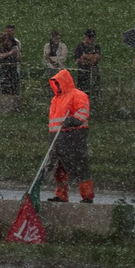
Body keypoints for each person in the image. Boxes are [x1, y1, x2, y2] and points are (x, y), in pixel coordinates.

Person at [46, 65, 94, 204]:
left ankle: (87, 196)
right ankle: (61, 195)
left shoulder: (77, 95)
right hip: (57, 137)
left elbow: (83, 111)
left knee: (80, 165)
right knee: (58, 168)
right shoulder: (55, 99)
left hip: (74, 135)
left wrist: (72, 121)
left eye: (58, 83)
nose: (56, 86)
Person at [0, 24, 23, 97]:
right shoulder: (0, 43)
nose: (8, 33)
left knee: (14, 87)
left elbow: (19, 57)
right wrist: (10, 52)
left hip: (12, 68)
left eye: (10, 31)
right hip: (4, 68)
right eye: (7, 31)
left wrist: (16, 53)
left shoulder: (15, 42)